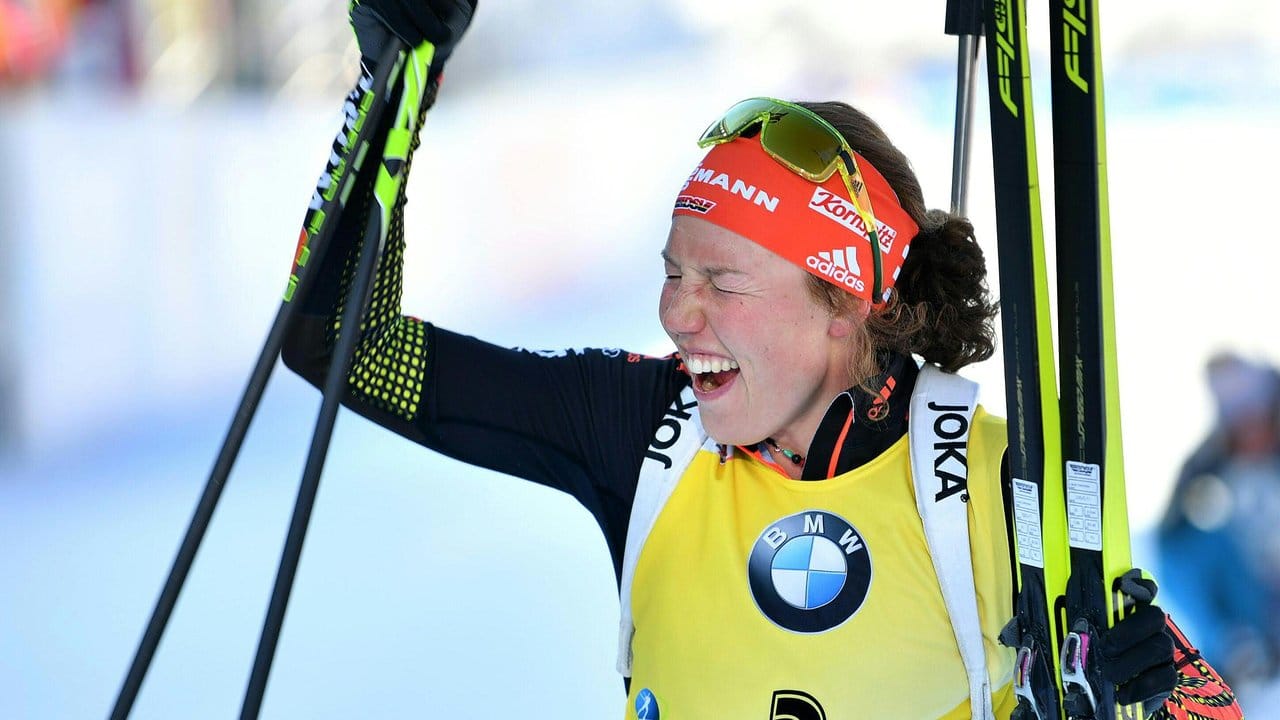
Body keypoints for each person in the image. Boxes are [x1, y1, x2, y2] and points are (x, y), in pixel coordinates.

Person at [280, 1, 1244, 717]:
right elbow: (341, 346)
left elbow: (1207, 707)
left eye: (721, 281)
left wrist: (1160, 694)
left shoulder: (997, 488)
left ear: (844, 302)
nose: (676, 311)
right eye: (671, 274)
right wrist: (390, 89)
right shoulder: (642, 427)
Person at [1158, 351, 1280, 688]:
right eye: (1239, 423)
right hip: (1252, 591)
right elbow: (1170, 536)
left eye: (1257, 419)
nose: (1251, 434)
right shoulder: (1214, 458)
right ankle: (1237, 649)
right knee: (1188, 548)